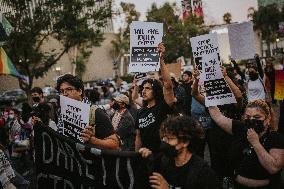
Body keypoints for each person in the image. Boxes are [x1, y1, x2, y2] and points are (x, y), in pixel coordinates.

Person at [208, 99, 284, 189]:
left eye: (257, 117)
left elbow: (273, 168)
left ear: (267, 119)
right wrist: (208, 94)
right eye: (248, 117)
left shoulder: (275, 138)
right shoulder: (241, 128)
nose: (251, 120)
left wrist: (255, 143)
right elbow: (218, 117)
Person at [139, 116, 219, 189]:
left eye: (169, 139)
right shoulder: (163, 161)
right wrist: (148, 158)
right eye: (163, 138)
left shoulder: (203, 173)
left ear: (185, 142)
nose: (164, 142)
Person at [132, 43, 176, 153]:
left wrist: (160, 59)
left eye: (148, 88)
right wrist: (137, 156)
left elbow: (168, 84)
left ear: (155, 91)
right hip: (146, 157)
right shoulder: (142, 110)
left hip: (163, 155)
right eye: (143, 88)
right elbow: (138, 136)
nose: (143, 90)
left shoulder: (163, 106)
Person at [56, 74, 119, 150]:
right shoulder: (61, 111)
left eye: (69, 89)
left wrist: (93, 140)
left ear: (79, 91)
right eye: (61, 91)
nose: (64, 94)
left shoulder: (95, 112)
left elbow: (114, 144)